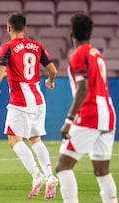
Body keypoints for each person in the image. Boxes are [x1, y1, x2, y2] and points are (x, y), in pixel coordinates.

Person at [0, 12, 58, 200]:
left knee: (14, 139)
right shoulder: (37, 46)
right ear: (25, 28)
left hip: (20, 100)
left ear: (8, 28)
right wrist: (50, 82)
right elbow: (52, 70)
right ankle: (50, 176)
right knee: (36, 139)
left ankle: (36, 175)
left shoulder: (7, 47)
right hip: (38, 98)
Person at [56, 13, 117, 203]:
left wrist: (68, 121)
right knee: (102, 170)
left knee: (63, 166)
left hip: (91, 114)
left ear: (71, 34)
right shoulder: (96, 53)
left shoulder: (78, 55)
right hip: (108, 114)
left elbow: (83, 88)